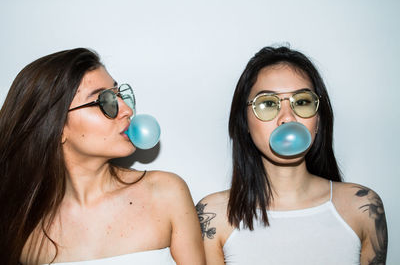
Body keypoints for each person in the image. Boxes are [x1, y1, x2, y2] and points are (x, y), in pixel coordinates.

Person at [0, 48, 205, 265]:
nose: (126, 110)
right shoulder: (23, 224)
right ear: (57, 127)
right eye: (104, 101)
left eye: (119, 95)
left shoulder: (166, 192)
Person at [197, 46, 388, 265]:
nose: (287, 118)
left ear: (318, 120)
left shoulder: (362, 208)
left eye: (302, 101)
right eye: (268, 103)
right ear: (245, 122)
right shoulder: (213, 216)